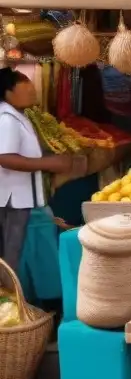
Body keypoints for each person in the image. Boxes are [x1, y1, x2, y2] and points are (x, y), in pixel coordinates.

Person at [0, 69, 77, 269]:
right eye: (24, 83)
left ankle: (15, 294)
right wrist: (49, 163)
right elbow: (5, 158)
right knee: (12, 254)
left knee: (14, 252)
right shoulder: (7, 119)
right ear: (8, 92)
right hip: (13, 200)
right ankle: (12, 295)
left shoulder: (17, 115)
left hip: (18, 198)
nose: (32, 88)